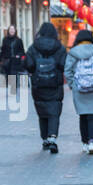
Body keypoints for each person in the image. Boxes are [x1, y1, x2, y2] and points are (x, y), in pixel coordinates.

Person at [24, 21, 67, 153]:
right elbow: (63, 64)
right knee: (54, 112)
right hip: (55, 84)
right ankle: (52, 137)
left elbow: (29, 65)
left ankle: (44, 139)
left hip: (38, 84)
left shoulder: (33, 47)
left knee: (42, 112)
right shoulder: (59, 47)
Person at [65, 28, 93, 154]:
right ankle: (91, 142)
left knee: (83, 116)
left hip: (79, 89)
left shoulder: (73, 53)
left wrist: (73, 85)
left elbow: (68, 71)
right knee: (92, 117)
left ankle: (84, 143)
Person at [0, 24, 27, 102]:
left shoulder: (19, 40)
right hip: (7, 61)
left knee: (13, 74)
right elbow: (2, 49)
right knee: (7, 75)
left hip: (15, 61)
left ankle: (13, 91)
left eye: (13, 29)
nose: (12, 31)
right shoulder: (5, 39)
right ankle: (10, 88)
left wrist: (18, 55)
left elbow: (22, 51)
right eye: (10, 29)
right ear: (8, 31)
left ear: (15, 31)